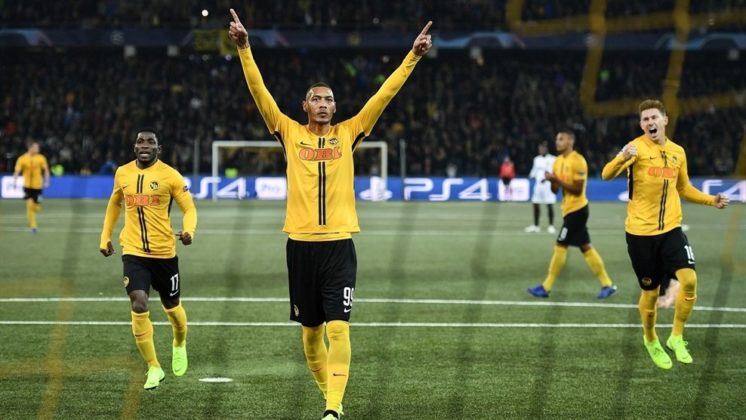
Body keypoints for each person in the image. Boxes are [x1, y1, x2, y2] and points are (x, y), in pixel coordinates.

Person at [228, 9, 432, 420]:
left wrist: (413, 55)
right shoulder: (289, 132)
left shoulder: (349, 132)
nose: (324, 104)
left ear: (336, 107)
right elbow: (259, 91)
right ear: (304, 105)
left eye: (329, 99)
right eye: (317, 99)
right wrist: (244, 48)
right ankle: (332, 394)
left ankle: (332, 408)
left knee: (338, 328)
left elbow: (384, 95)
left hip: (339, 246)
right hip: (300, 247)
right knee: (310, 338)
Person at [602, 99, 728, 369]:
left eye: (654, 118)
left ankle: (676, 336)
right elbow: (605, 174)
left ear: (665, 120)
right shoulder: (635, 148)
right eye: (645, 119)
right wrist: (621, 156)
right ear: (641, 125)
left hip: (671, 229)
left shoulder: (677, 152)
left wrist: (711, 200)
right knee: (650, 293)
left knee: (689, 280)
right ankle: (650, 339)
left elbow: (684, 188)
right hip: (640, 234)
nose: (650, 122)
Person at [99, 128, 197, 389]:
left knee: (172, 307)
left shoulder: (170, 175)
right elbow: (115, 203)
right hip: (133, 252)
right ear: (135, 147)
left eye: (150, 142)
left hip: (164, 254)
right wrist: (105, 236)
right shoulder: (123, 173)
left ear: (158, 149)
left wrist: (189, 231)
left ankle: (179, 343)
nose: (144, 145)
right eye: (140, 141)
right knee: (139, 302)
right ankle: (154, 367)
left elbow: (189, 208)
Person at [528, 130, 617, 299]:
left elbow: (577, 189)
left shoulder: (578, 161)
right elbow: (555, 191)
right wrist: (552, 181)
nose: (557, 142)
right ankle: (607, 284)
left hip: (578, 210)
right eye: (557, 139)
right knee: (586, 247)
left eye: (561, 139)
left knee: (560, 246)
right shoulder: (557, 161)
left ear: (570, 141)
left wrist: (557, 180)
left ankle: (546, 287)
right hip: (568, 210)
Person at [12, 141, 50, 233]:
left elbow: (46, 170)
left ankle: (33, 216)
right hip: (27, 186)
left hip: (38, 186)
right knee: (29, 205)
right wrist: (14, 182)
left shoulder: (41, 158)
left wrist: (47, 181)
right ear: (30, 148)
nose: (38, 149)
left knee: (37, 207)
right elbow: (17, 171)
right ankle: (33, 226)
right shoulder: (22, 159)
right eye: (36, 147)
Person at [525, 141, 557, 233]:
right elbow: (534, 170)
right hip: (538, 185)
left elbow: (555, 171)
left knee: (549, 204)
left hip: (548, 185)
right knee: (535, 204)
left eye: (542, 148)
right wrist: (531, 175)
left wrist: (548, 178)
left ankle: (551, 226)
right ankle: (536, 226)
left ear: (546, 149)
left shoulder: (553, 159)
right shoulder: (536, 159)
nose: (541, 150)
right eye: (539, 148)